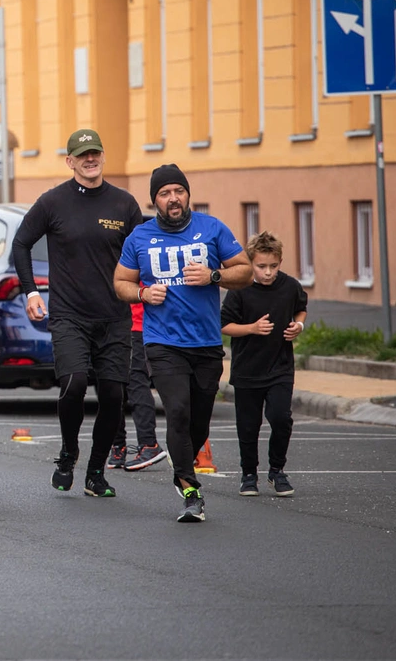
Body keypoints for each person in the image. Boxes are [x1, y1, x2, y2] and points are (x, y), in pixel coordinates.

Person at [115, 164, 252, 523]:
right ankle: (190, 490)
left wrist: (214, 275)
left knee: (199, 422)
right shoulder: (140, 238)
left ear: (187, 194)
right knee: (176, 411)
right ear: (155, 200)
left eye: (179, 190)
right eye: (165, 193)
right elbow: (120, 283)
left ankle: (183, 463)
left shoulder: (212, 228)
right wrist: (143, 292)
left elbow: (245, 270)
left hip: (206, 342)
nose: (173, 198)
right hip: (163, 342)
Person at [12, 130, 145, 498]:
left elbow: (143, 254)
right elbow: (21, 243)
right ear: (70, 161)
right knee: (72, 383)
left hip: (114, 316)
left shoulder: (124, 204)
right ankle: (69, 452)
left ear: (103, 156)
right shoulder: (53, 202)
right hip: (69, 314)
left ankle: (95, 472)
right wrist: (30, 292)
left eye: (95, 153)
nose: (90, 159)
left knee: (114, 396)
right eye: (82, 155)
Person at [221, 231, 307, 497]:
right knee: (248, 425)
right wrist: (252, 328)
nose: (268, 272)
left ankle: (277, 471)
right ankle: (249, 474)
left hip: (280, 366)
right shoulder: (240, 290)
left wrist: (299, 325)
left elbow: (300, 308)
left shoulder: (290, 286)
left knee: (281, 418)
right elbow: (224, 325)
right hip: (248, 369)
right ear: (250, 263)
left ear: (280, 262)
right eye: (261, 267)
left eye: (273, 266)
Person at [110, 296, 168, 472]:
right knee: (113, 383)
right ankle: (118, 446)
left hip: (138, 325)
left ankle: (149, 444)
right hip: (117, 324)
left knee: (136, 382)